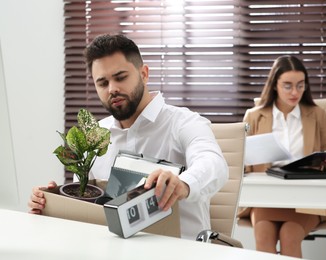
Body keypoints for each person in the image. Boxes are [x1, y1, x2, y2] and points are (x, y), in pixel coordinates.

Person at [28, 33, 228, 240]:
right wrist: (51, 203)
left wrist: (183, 184)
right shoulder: (93, 137)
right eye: (103, 83)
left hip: (179, 250)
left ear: (144, 74)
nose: (112, 89)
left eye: (120, 77)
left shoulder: (184, 122)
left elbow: (214, 164)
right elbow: (85, 209)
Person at [240, 55, 326, 257]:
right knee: (263, 237)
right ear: (275, 85)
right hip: (266, 198)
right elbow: (241, 163)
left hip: (305, 198)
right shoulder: (253, 116)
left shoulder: (317, 114)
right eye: (288, 86)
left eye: (300, 85)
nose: (295, 92)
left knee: (289, 236)